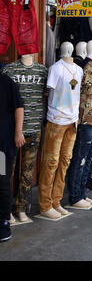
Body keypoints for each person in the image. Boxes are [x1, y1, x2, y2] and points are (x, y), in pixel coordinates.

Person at [0, 73, 25, 243]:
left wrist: (18, 132)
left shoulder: (6, 81)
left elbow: (19, 107)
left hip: (1, 148)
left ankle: (2, 222)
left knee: (1, 184)